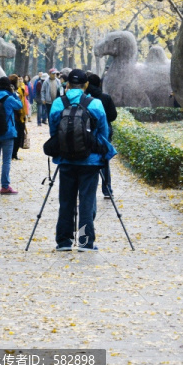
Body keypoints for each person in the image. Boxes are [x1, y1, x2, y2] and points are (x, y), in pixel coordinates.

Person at [48, 68, 116, 252]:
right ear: (86, 85)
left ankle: (63, 241)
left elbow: (53, 131)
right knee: (86, 201)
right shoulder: (94, 104)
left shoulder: (58, 103)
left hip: (65, 161)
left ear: (67, 84)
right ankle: (86, 242)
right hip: (90, 161)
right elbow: (103, 132)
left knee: (66, 201)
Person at [0, 75, 23, 195]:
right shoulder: (9, 98)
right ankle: (5, 186)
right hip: (7, 132)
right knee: (6, 161)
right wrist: (13, 93)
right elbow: (19, 106)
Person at [86, 73, 117, 198]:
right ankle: (107, 189)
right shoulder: (105, 97)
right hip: (105, 130)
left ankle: (87, 188)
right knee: (104, 159)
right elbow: (113, 115)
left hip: (87, 131)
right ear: (99, 83)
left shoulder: (85, 98)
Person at [9, 74, 27, 160]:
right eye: (18, 80)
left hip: (21, 115)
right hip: (16, 116)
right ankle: (13, 153)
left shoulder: (19, 90)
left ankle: (14, 153)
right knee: (17, 135)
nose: (20, 82)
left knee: (20, 135)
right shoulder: (12, 92)